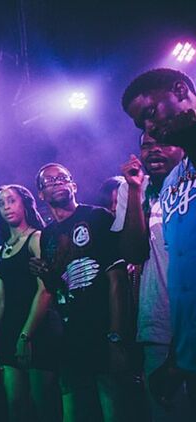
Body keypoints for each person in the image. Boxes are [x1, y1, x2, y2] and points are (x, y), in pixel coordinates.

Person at [29, 163, 128, 422]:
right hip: (71, 332)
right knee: (75, 405)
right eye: (50, 181)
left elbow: (117, 279)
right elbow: (59, 289)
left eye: (63, 178)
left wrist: (116, 336)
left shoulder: (97, 217)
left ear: (74, 185)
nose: (58, 183)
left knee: (112, 401)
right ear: (41, 194)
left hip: (102, 327)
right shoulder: (47, 235)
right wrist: (46, 275)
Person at [122, 67, 196, 409]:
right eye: (142, 125)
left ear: (180, 91)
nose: (150, 127)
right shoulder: (172, 183)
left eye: (151, 112)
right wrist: (180, 356)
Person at [113, 131, 190, 421]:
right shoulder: (132, 188)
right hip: (158, 324)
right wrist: (134, 191)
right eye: (147, 146)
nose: (154, 150)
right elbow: (133, 252)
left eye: (164, 143)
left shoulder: (191, 183)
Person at [0, 185, 61, 422]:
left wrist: (26, 336)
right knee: (16, 406)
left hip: (38, 328)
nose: (7, 207)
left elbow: (45, 290)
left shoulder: (36, 238)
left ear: (24, 203)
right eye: (2, 203)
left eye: (12, 200)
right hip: (9, 330)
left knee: (44, 405)